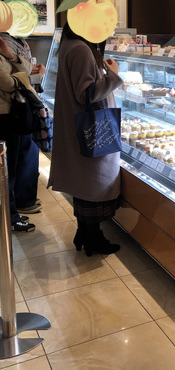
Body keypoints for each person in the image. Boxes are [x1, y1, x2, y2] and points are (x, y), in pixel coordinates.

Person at [48, 23, 123, 256]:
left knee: (84, 183)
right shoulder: (81, 49)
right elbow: (86, 94)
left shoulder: (70, 44)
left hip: (77, 126)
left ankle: (85, 232)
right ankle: (93, 237)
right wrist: (113, 76)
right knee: (93, 182)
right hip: (91, 129)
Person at [0, 32, 45, 215]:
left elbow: (25, 69)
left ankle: (15, 208)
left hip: (14, 110)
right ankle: (11, 214)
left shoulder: (13, 42)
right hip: (8, 113)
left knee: (16, 159)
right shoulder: (7, 40)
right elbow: (9, 83)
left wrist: (11, 56)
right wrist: (30, 77)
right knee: (10, 164)